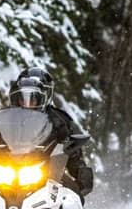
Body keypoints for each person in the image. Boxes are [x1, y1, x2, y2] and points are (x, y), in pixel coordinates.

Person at [12, 67, 95, 197]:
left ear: (45, 96)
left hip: (47, 173)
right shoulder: (7, 119)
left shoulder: (59, 120)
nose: (27, 103)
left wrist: (80, 170)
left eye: (33, 98)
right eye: (22, 98)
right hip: (7, 171)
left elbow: (72, 148)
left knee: (72, 193)